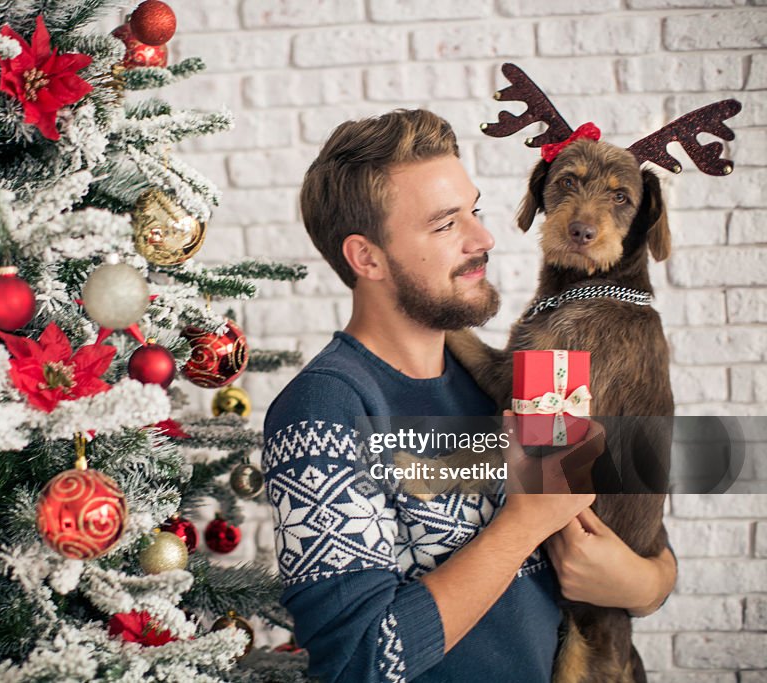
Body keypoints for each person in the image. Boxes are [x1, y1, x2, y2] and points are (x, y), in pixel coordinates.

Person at [261, 109, 677, 682]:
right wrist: (522, 526)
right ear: (367, 257)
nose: (484, 238)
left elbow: (632, 514)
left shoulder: (521, 378)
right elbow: (353, 663)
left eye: (473, 211)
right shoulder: (325, 411)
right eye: (444, 224)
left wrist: (645, 583)